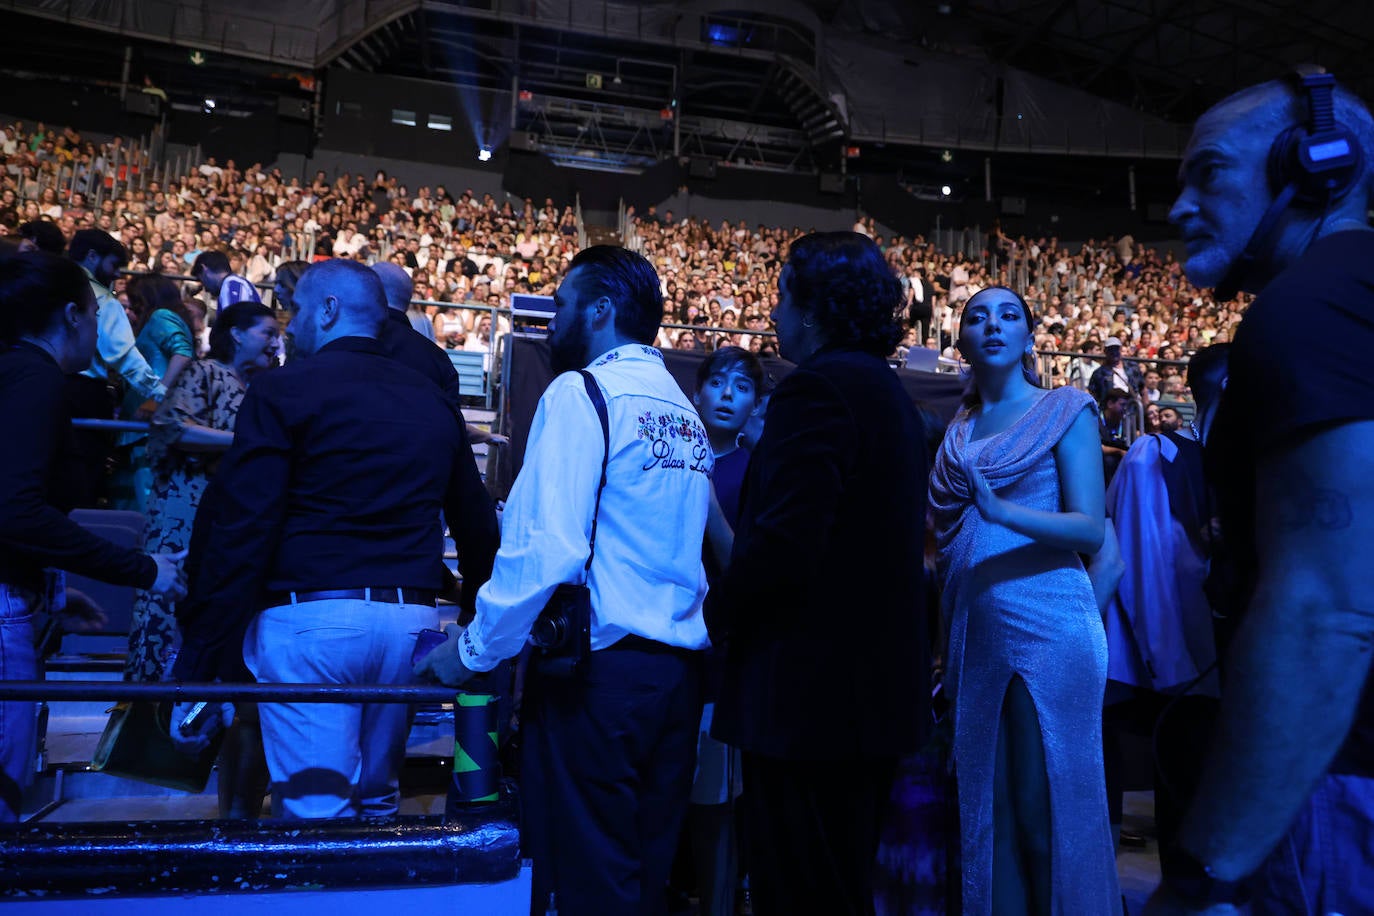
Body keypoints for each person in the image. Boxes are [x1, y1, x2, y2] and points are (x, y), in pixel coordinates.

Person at [417, 245, 711, 916]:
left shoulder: (585, 393)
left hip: (600, 679)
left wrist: (470, 652)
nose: (552, 321)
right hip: (675, 681)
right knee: (643, 872)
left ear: (601, 308)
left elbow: (547, 548)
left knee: (589, 878)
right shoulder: (681, 408)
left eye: (562, 304)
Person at [1146, 70, 1374, 915]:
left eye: (1209, 173)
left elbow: (1329, 611)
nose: (1178, 206)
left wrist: (1208, 871)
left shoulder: (1307, 310)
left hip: (1335, 793)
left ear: (1319, 167)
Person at [173, 259, 498, 819]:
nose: (291, 327)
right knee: (377, 806)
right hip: (410, 626)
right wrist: (471, 625)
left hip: (311, 622)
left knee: (317, 818)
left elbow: (243, 525)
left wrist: (201, 655)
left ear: (328, 310)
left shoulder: (282, 390)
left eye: (297, 310)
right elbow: (477, 526)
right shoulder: (433, 401)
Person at [703, 231, 931, 915]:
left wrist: (720, 617)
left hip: (810, 704)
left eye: (781, 298)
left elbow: (783, 546)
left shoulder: (819, 389)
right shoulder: (884, 392)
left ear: (816, 306)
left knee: (801, 890)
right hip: (863, 702)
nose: (773, 317)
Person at [929, 285, 1120, 914]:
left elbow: (1090, 528)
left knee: (1045, 810)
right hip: (978, 633)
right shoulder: (959, 429)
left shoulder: (1066, 407)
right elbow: (949, 546)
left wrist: (1002, 510)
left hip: (1051, 624)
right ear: (960, 340)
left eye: (1009, 316)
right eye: (977, 317)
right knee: (991, 809)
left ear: (1030, 338)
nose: (993, 325)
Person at [0, 251, 185, 822]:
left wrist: (52, 592)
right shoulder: (35, 379)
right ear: (75, 315)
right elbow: (16, 511)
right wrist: (146, 569)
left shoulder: (13, 370)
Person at [125, 301, 280, 682]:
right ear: (236, 334)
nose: (275, 344)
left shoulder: (259, 386)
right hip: (183, 510)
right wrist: (243, 440)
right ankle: (149, 715)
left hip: (226, 516)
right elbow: (172, 426)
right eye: (268, 334)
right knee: (166, 604)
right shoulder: (205, 372)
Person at [691, 346, 764, 916]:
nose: (726, 396)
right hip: (662, 652)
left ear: (754, 405)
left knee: (718, 804)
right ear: (697, 392)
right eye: (718, 384)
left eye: (741, 388)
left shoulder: (755, 471)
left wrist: (707, 501)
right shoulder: (669, 455)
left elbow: (745, 565)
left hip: (721, 658)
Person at [67, 229, 166, 506]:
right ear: (92, 256)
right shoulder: (101, 299)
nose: (117, 275)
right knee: (82, 479)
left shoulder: (46, 286)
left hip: (42, 384)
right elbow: (124, 358)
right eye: (114, 265)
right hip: (83, 393)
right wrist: (163, 395)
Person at [113, 274, 196, 512]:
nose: (130, 311)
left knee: (142, 498)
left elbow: (182, 353)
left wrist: (156, 398)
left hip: (148, 422)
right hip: (141, 422)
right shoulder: (163, 317)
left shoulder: (160, 316)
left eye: (135, 303)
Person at [191, 249, 261, 312]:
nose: (205, 289)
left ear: (204, 270)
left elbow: (233, 322)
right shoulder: (236, 283)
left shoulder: (231, 285)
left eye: (202, 280)